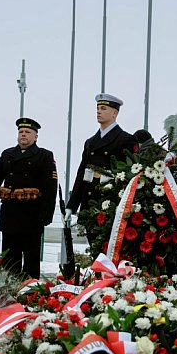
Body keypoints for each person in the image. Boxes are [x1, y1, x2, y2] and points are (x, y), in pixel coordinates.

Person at [0, 118, 57, 278]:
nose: (23, 135)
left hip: (32, 216)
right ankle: (9, 294)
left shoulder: (44, 156)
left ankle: (30, 294)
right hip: (10, 214)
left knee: (31, 261)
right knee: (9, 261)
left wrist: (46, 215)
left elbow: (50, 188)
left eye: (28, 132)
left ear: (36, 136)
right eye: (21, 132)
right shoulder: (7, 154)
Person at [64, 93, 137, 248]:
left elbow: (132, 175)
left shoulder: (125, 140)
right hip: (90, 202)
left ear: (115, 113)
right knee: (95, 249)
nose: (98, 111)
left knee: (111, 250)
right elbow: (81, 175)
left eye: (103, 108)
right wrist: (72, 205)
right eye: (97, 108)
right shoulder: (90, 142)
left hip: (112, 204)